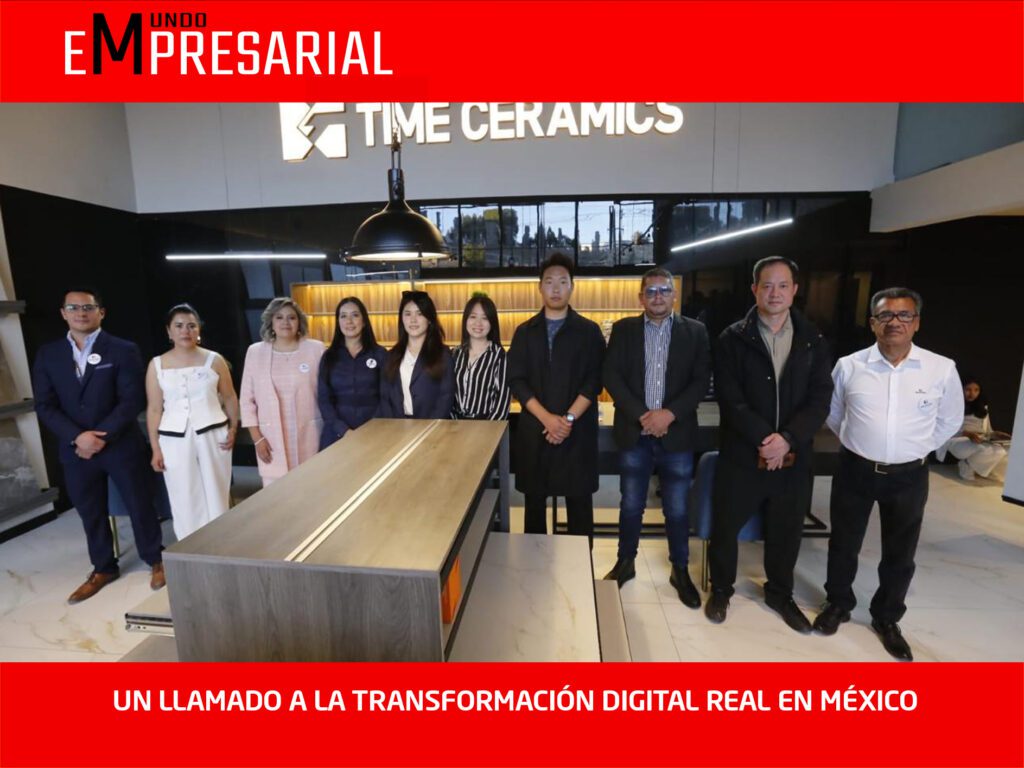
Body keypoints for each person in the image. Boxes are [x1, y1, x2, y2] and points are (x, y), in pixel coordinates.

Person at [814, 288, 964, 661]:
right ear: (872, 323)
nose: (894, 322)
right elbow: (834, 413)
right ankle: (838, 603)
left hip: (909, 476)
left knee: (900, 552)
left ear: (916, 322)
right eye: (885, 315)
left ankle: (887, 617)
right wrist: (860, 441)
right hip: (855, 468)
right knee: (843, 543)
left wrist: (914, 448)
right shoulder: (849, 365)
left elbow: (950, 420)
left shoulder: (940, 368)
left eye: (904, 315)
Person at [705, 256, 833, 632]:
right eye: (767, 285)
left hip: (793, 456)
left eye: (782, 285)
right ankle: (722, 589)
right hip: (742, 454)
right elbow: (731, 398)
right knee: (725, 526)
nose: (774, 293)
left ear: (795, 290)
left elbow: (820, 398)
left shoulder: (813, 339)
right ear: (754, 289)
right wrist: (766, 440)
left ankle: (779, 593)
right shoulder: (732, 338)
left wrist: (787, 440)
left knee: (787, 529)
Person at [32, 288, 165, 602]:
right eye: (73, 308)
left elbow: (132, 399)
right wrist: (78, 437)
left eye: (88, 307)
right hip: (75, 449)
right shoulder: (49, 354)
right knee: (89, 510)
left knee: (139, 504)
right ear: (63, 313)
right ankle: (103, 567)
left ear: (101, 313)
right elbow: (45, 405)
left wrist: (99, 437)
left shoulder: (123, 349)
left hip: (120, 444)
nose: (81, 313)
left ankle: (155, 559)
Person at [602, 268, 711, 607]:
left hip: (676, 432)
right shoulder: (624, 330)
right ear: (641, 298)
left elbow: (701, 380)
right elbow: (611, 376)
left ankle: (680, 569)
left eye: (664, 290)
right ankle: (626, 562)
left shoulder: (695, 332)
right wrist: (642, 415)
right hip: (634, 431)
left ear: (674, 295)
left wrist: (668, 414)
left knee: (677, 508)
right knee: (631, 504)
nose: (658, 296)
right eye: (651, 291)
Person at [507, 252, 605, 538]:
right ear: (540, 287)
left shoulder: (589, 332)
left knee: (579, 513)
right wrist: (548, 419)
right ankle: (535, 567)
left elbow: (594, 381)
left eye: (563, 282)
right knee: (534, 512)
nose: (556, 288)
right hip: (535, 433)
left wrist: (567, 420)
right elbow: (517, 381)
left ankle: (581, 566)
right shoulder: (524, 332)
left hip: (577, 435)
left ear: (572, 287)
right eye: (549, 282)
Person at [146, 304, 239, 541]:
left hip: (213, 433)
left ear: (198, 330)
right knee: (183, 494)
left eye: (191, 326)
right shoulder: (157, 364)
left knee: (216, 491)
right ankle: (190, 546)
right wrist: (155, 448)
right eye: (179, 326)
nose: (185, 331)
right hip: (173, 438)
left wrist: (233, 428)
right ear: (169, 331)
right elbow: (154, 409)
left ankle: (221, 544)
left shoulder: (214, 360)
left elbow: (229, 397)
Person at [239, 297, 324, 486]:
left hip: (310, 433)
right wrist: (257, 439)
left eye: (291, 317)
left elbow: (326, 393)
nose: (286, 322)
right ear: (271, 321)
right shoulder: (255, 352)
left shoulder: (315, 349)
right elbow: (246, 400)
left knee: (311, 488)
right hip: (270, 438)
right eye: (279, 317)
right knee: (277, 494)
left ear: (299, 322)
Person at [318, 296, 388, 448]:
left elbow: (387, 396)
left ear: (364, 321)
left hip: (374, 434)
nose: (349, 321)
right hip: (337, 435)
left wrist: (370, 428)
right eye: (343, 316)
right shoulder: (329, 357)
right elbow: (324, 400)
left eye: (355, 315)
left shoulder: (380, 354)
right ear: (338, 322)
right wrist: (343, 431)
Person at [379, 290, 454, 419]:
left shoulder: (443, 355)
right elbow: (385, 397)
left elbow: (446, 398)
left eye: (419, 314)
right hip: (396, 426)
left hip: (432, 426)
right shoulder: (391, 356)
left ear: (429, 319)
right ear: (402, 318)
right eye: (408, 314)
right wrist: (392, 426)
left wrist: (430, 427)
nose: (413, 320)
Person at [936, 377, 1011, 481]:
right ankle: (967, 465)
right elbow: (944, 429)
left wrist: (995, 434)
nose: (972, 393)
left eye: (976, 390)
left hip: (979, 438)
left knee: (1004, 450)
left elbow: (987, 431)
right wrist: (967, 434)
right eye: (968, 389)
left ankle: (986, 469)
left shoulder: (983, 408)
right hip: (957, 439)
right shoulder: (952, 406)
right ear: (961, 389)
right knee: (984, 448)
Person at [452, 293, 510, 420]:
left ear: (492, 322)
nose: (478, 323)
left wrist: (488, 430)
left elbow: (502, 403)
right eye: (473, 317)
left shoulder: (499, 356)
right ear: (466, 319)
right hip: (455, 426)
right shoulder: (455, 353)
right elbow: (448, 395)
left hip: (487, 425)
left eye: (485, 318)